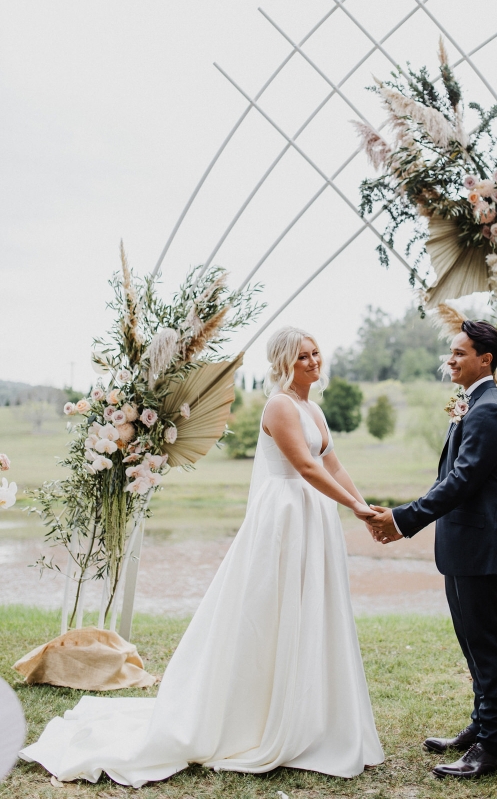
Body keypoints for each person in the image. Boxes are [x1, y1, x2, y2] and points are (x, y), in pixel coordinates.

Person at [21, 326, 383, 787]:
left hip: (313, 515)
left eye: (315, 353)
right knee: (273, 607)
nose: (313, 362)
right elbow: (305, 466)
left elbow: (332, 463)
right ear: (283, 364)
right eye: (301, 357)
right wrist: (352, 507)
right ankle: (258, 716)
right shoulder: (280, 405)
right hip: (286, 516)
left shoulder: (314, 408)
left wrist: (365, 506)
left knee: (312, 606)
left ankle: (310, 713)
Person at [368, 320, 497, 780]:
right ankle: (479, 727)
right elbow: (451, 479)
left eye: (458, 353)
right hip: (464, 546)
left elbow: (461, 481)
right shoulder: (474, 404)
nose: (449, 360)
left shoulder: (489, 410)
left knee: (487, 647)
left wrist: (403, 518)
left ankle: (492, 748)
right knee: (472, 645)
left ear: (485, 360)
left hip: (481, 548)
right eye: (450, 352)